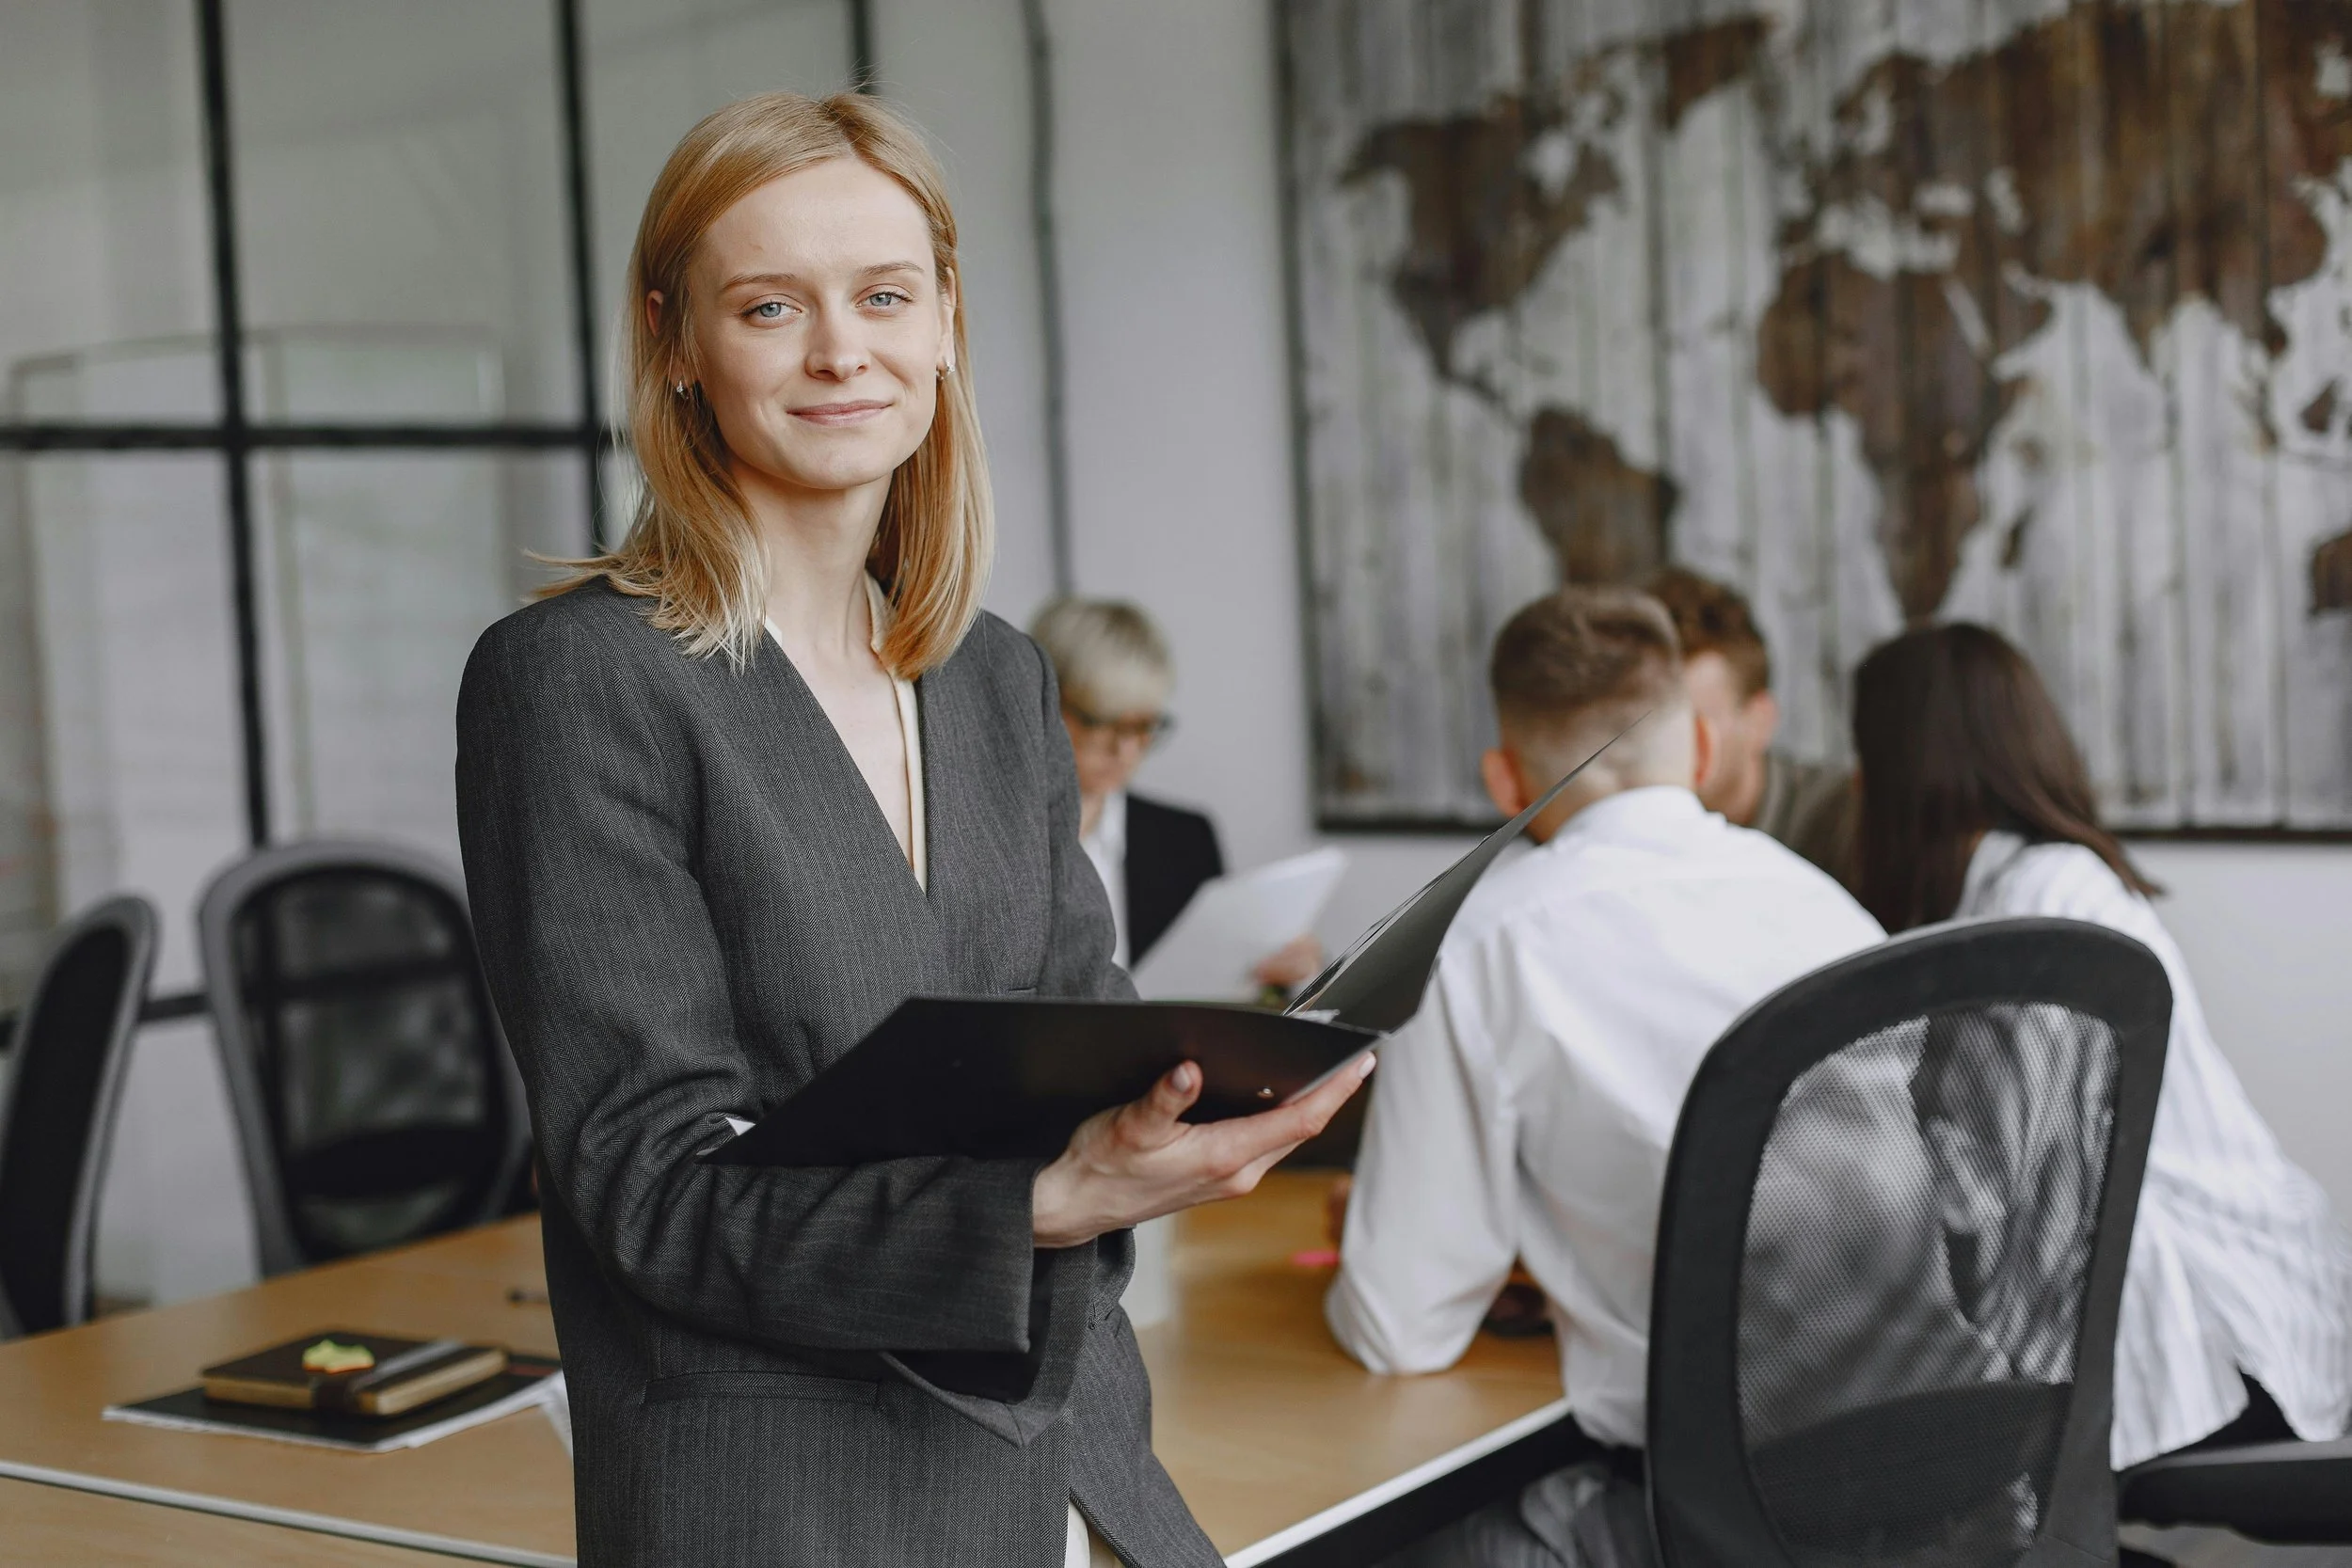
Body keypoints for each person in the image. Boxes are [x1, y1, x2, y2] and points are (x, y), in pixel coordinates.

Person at [453, 91, 1368, 1568]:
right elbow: (652, 1182)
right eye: (769, 305)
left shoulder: (996, 678)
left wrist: (1172, 1118)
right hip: (789, 1499)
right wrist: (1042, 1199)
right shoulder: (578, 681)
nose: (841, 350)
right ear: (676, 340)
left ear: (945, 318)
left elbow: (1087, 1032)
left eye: (885, 294)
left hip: (1074, 1467)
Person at [1326, 587, 1885, 1563]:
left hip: (1690, 1506)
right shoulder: (1833, 911)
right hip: (1916, 1463)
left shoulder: (1476, 944)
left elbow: (1401, 1327)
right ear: (1701, 751)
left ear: (1507, 780)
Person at [1850, 623, 2352, 1471]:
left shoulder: (2044, 902)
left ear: (1902, 769)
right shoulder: (2032, 888)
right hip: (2228, 1305)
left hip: (2212, 1335)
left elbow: (1982, 1190)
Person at [1029, 595, 1320, 989]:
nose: (1126, 750)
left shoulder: (1185, 839)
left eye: (1144, 727)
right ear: (1042, 701)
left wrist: (1277, 972)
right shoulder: (988, 836)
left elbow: (1216, 991)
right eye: (1102, 722)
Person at [1646, 566, 1854, 885]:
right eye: (1649, 723)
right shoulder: (1631, 836)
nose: (1662, 745)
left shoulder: (1840, 819)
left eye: (1693, 724)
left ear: (1760, 721)